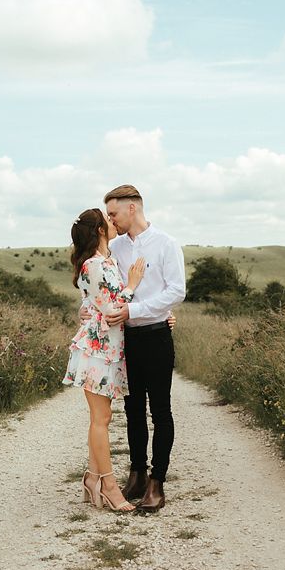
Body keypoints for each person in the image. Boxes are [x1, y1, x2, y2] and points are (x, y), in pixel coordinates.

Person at [98, 184, 186, 513]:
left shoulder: (166, 244)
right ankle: (136, 474)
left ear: (132, 208)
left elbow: (177, 291)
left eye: (114, 213)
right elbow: (107, 287)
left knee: (160, 411)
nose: (111, 220)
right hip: (127, 340)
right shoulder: (116, 248)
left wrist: (136, 310)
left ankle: (157, 482)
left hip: (157, 337)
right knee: (132, 411)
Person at [65, 208, 146, 513]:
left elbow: (91, 301)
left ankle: (91, 477)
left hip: (109, 349)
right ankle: (109, 486)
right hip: (96, 350)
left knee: (103, 418)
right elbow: (112, 309)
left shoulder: (107, 261)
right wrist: (132, 284)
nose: (114, 224)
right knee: (101, 419)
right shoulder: (93, 265)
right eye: (109, 221)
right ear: (100, 230)